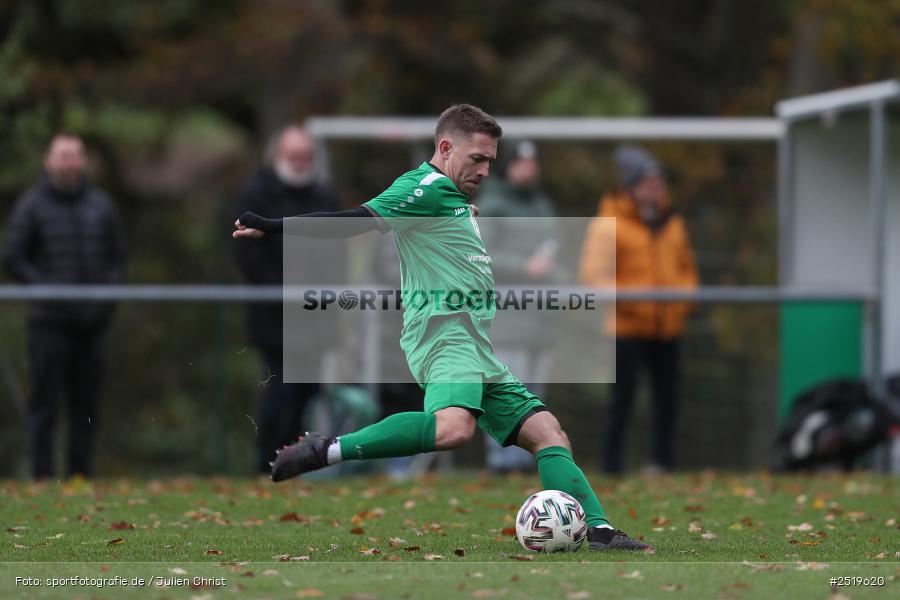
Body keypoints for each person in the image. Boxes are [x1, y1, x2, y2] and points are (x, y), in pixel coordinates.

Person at [234, 104, 654, 553]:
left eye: (491, 160)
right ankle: (328, 450)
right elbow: (353, 222)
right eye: (477, 159)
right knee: (453, 430)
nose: (486, 169)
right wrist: (273, 227)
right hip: (443, 332)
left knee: (548, 433)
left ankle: (600, 532)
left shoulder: (450, 198)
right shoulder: (421, 188)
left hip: (475, 343)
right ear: (446, 147)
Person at [3, 132, 125, 478]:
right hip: (48, 324)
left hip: (92, 325)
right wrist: (46, 290)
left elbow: (117, 258)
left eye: (76, 156)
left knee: (85, 407)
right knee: (44, 406)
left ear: (84, 161)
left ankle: (80, 477)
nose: (70, 163)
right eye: (63, 156)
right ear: (48, 161)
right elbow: (14, 257)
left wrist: (106, 298)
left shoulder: (102, 205)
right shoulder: (31, 206)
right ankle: (43, 479)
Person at [578, 145, 698, 474]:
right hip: (625, 330)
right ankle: (611, 468)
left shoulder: (672, 222)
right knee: (622, 402)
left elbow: (687, 270)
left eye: (659, 181)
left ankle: (662, 464)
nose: (656, 188)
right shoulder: (607, 225)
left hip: (668, 327)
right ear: (630, 186)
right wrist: (632, 301)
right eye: (648, 182)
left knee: (668, 402)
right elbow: (593, 276)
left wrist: (682, 302)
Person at [233, 125, 342, 474]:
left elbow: (337, 247)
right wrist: (285, 294)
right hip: (276, 319)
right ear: (277, 157)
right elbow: (247, 255)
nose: (300, 163)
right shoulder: (256, 194)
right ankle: (264, 463)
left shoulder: (323, 195)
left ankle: (290, 464)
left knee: (307, 394)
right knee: (280, 390)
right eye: (293, 156)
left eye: (305, 156)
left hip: (316, 316)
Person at [474, 140, 559, 473]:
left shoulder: (542, 204)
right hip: (506, 318)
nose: (529, 168)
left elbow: (555, 255)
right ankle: (501, 461)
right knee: (507, 390)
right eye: (522, 162)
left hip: (541, 318)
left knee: (535, 394)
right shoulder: (492, 203)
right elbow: (478, 256)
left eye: (533, 162)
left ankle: (529, 458)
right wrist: (524, 267)